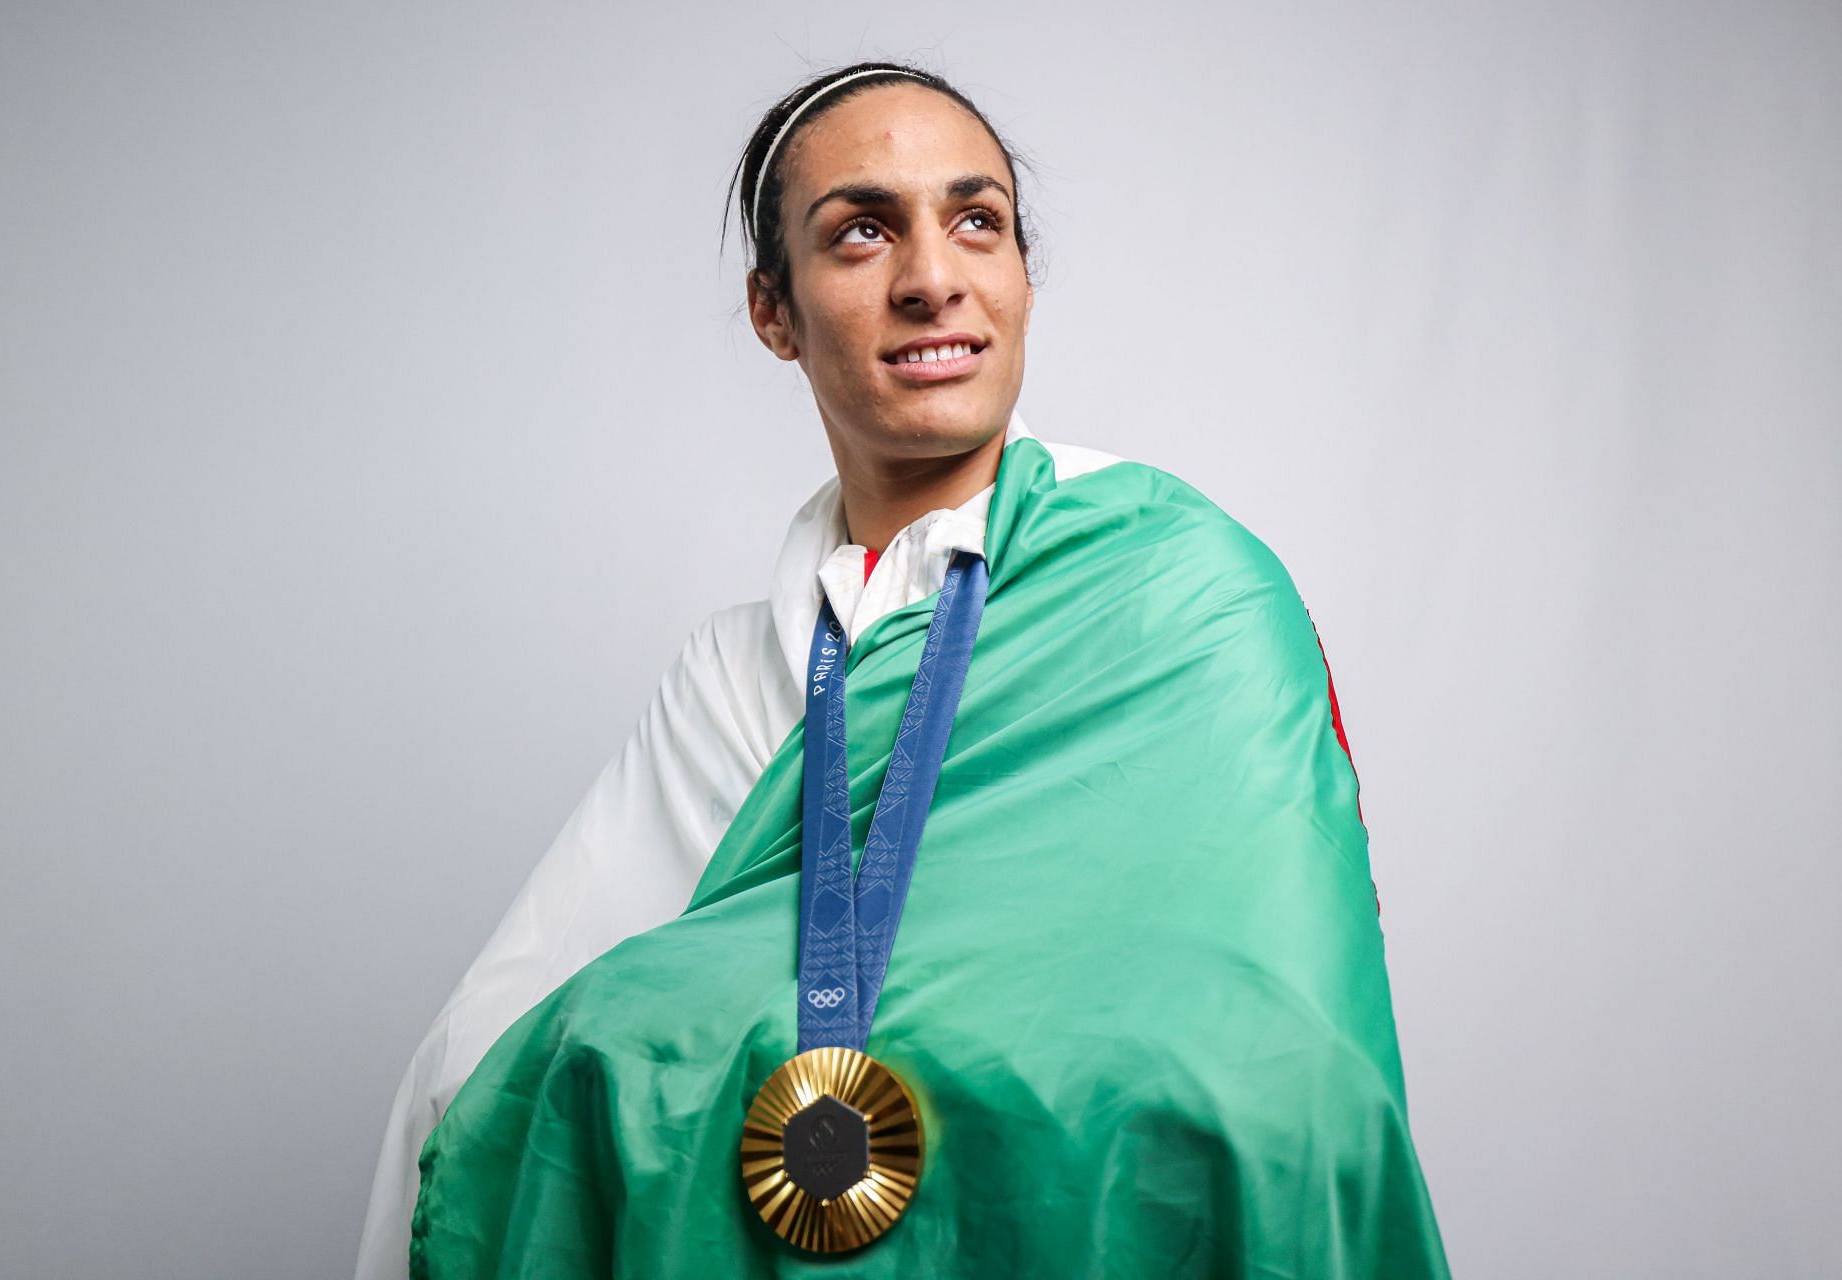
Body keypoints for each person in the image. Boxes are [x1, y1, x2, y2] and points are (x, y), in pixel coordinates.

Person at [357, 61, 1451, 1279]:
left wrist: (740, 1030)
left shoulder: (1185, 584)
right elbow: (491, 1072)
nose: (934, 279)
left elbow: (1288, 1074)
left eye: (976, 221)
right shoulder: (734, 671)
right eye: (863, 232)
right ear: (776, 311)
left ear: (1024, 278)